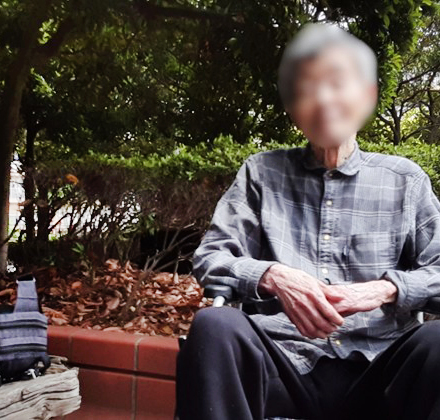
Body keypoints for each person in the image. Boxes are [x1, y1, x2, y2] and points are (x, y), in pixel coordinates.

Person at [175, 22, 440, 420]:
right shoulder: (261, 173)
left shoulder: (405, 181)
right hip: (282, 364)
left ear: (366, 96)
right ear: (292, 108)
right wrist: (273, 276)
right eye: (307, 89)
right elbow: (212, 256)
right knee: (214, 326)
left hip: (380, 371)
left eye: (337, 84)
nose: (323, 99)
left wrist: (385, 289)